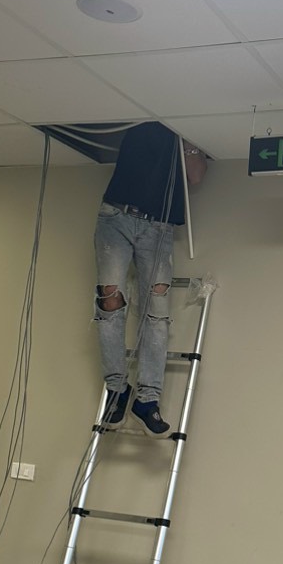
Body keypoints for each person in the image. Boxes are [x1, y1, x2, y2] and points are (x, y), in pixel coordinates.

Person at [94, 121, 207, 436]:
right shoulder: (141, 116)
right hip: (115, 216)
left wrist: (187, 141)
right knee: (110, 304)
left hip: (158, 226)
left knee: (156, 314)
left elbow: (196, 176)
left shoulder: (188, 131)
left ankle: (148, 400)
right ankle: (117, 390)